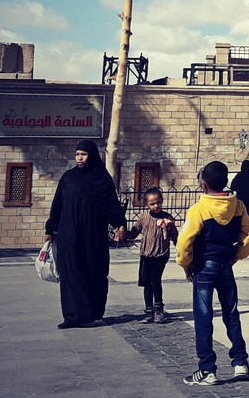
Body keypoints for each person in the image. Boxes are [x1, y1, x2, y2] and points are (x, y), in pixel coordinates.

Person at [178, 161, 249, 385]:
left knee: (204, 317)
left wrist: (186, 265)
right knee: (231, 314)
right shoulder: (238, 206)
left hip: (204, 268)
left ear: (203, 184)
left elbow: (184, 243)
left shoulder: (199, 209)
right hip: (225, 265)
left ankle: (207, 369)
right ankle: (240, 362)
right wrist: (237, 255)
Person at [43, 140, 128, 329]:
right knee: (70, 273)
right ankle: (72, 316)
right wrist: (50, 229)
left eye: (84, 154)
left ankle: (92, 313)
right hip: (69, 235)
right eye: (77, 154)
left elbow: (111, 205)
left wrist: (120, 224)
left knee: (93, 271)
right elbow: (57, 205)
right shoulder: (68, 178)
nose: (80, 158)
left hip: (93, 236)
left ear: (92, 156)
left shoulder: (102, 179)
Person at [134, 186, 177, 323]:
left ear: (162, 201)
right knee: (146, 283)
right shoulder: (144, 218)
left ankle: (159, 310)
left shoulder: (167, 218)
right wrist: (122, 230)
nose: (156, 206)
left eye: (158, 202)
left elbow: (175, 237)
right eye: (152, 204)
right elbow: (134, 232)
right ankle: (149, 311)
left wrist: (183, 250)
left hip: (161, 255)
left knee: (155, 280)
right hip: (146, 255)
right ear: (147, 205)